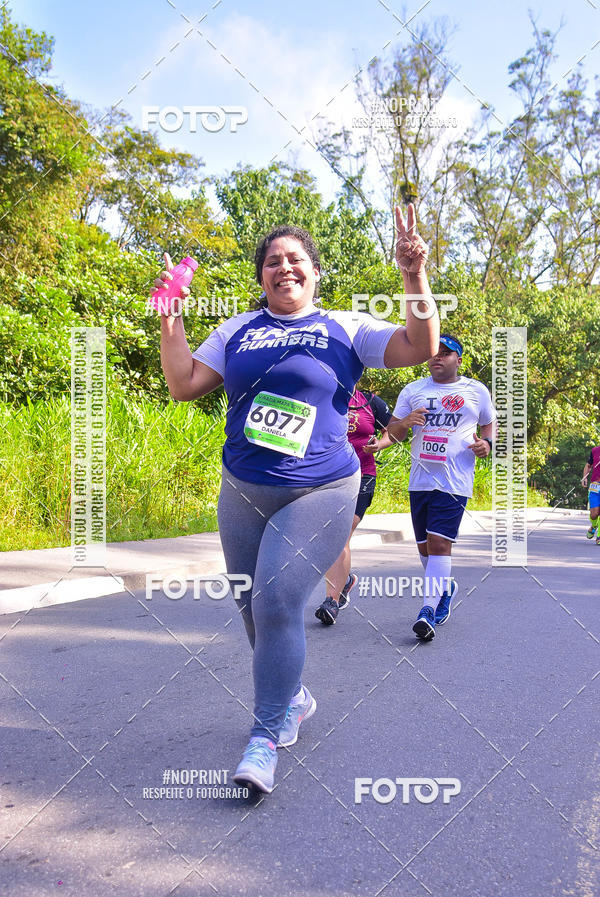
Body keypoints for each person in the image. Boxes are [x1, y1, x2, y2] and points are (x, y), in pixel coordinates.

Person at [155, 204, 439, 793]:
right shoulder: (236, 330)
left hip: (322, 487)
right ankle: (293, 696)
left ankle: (264, 738)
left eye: (295, 259)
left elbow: (419, 345)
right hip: (243, 488)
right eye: (272, 261)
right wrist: (171, 318)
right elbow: (183, 385)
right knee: (251, 608)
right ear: (261, 276)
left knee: (278, 600)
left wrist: (414, 276)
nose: (284, 267)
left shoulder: (345, 327)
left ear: (314, 271)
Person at [387, 334, 496, 641]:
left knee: (439, 545)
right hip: (420, 480)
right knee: (424, 548)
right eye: (434, 352)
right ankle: (445, 588)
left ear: (458, 360)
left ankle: (427, 610)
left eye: (446, 353)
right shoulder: (413, 390)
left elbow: (489, 423)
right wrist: (404, 423)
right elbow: (392, 431)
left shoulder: (475, 390)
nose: (437, 357)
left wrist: (487, 443)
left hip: (455, 480)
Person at [315, 384, 393, 624]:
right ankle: (345, 580)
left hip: (363, 475)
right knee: (330, 536)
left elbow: (393, 431)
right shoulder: (321, 397)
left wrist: (380, 444)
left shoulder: (371, 402)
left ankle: (331, 601)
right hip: (328, 476)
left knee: (342, 532)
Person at [581, 446, 600, 543]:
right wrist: (584, 478)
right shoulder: (595, 450)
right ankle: (594, 525)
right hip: (595, 486)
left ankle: (599, 537)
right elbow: (588, 465)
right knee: (594, 514)